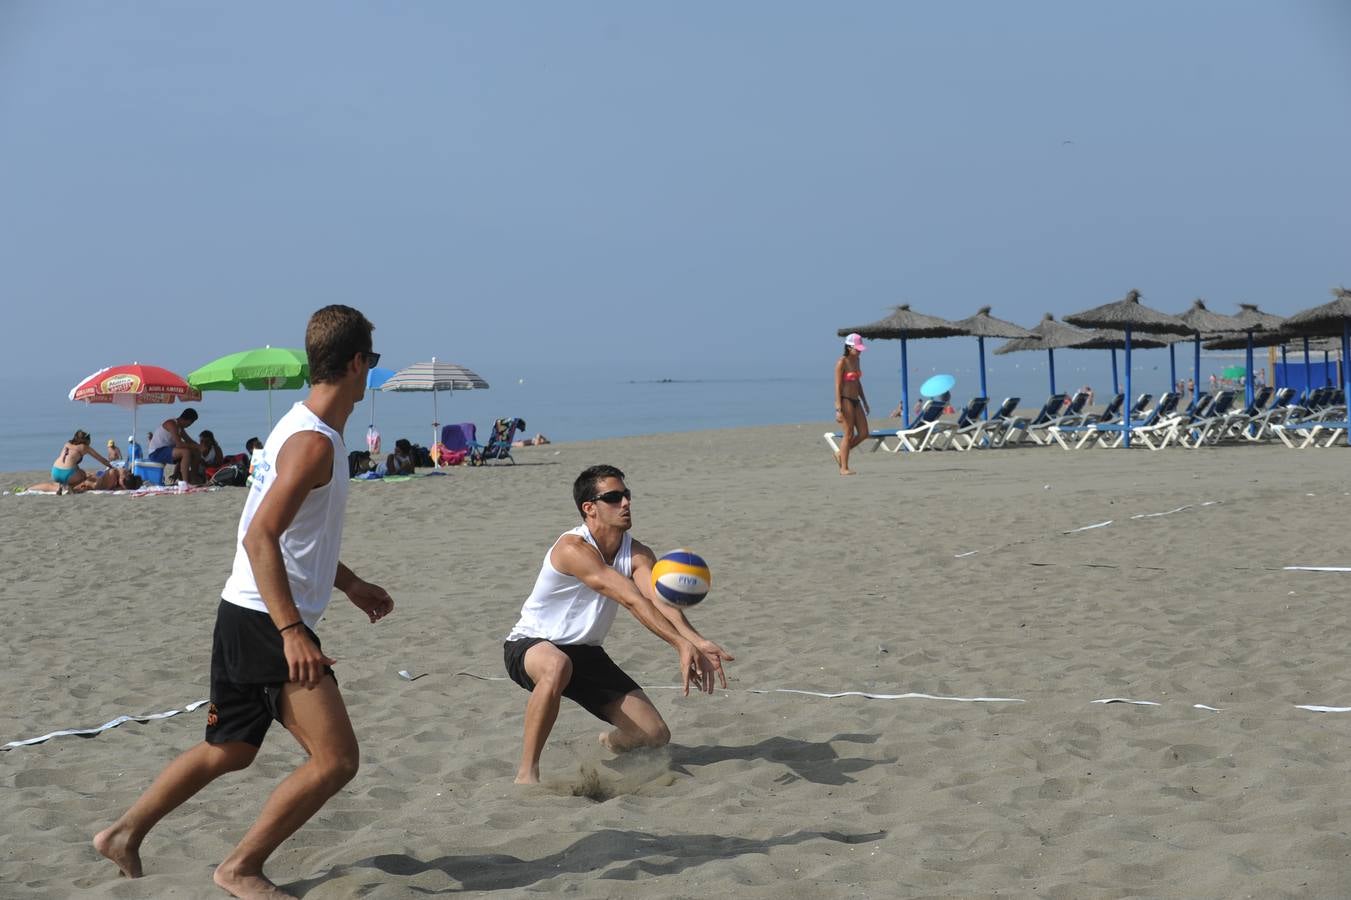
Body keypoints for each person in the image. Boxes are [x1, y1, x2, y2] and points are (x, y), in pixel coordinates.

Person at [94, 305, 394, 899]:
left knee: (229, 749)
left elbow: (294, 539)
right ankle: (240, 868)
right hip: (265, 619)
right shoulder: (312, 444)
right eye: (372, 361)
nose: (370, 375)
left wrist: (350, 583)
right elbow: (260, 536)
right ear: (357, 362)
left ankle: (123, 834)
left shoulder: (299, 427)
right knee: (336, 760)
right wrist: (291, 631)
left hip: (245, 611)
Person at [503, 464, 734, 784]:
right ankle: (527, 773)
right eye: (613, 497)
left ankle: (610, 742)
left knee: (655, 734)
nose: (625, 503)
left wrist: (695, 640)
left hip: (586, 655)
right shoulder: (573, 549)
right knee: (557, 665)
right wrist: (680, 645)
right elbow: (631, 599)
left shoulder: (637, 553)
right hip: (531, 645)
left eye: (626, 495)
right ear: (590, 508)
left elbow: (657, 600)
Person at [832, 333, 870, 476]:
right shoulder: (842, 362)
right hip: (845, 399)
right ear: (849, 347)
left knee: (864, 433)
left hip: (856, 400)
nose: (860, 351)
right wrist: (838, 408)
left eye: (860, 349)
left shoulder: (857, 360)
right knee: (848, 434)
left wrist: (865, 401)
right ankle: (844, 468)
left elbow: (857, 382)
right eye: (857, 348)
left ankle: (839, 453)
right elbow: (837, 385)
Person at [50, 430, 117, 495]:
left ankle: (60, 488)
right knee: (84, 475)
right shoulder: (84, 447)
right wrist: (111, 466)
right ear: (86, 440)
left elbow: (67, 461)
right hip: (67, 473)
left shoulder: (67, 444)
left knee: (74, 468)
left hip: (55, 471)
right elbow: (100, 458)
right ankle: (71, 488)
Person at [148, 408, 203, 485]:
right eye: (190, 423)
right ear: (188, 420)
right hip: (156, 452)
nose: (189, 425)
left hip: (166, 450)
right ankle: (185, 483)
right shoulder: (172, 424)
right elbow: (179, 444)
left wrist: (200, 447)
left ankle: (194, 479)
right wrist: (197, 446)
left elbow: (189, 440)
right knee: (186, 452)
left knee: (195, 452)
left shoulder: (179, 427)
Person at [28, 467, 143, 493]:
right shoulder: (119, 473)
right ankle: (29, 489)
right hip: (90, 482)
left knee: (57, 487)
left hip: (91, 480)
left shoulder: (119, 475)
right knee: (56, 487)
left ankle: (29, 488)